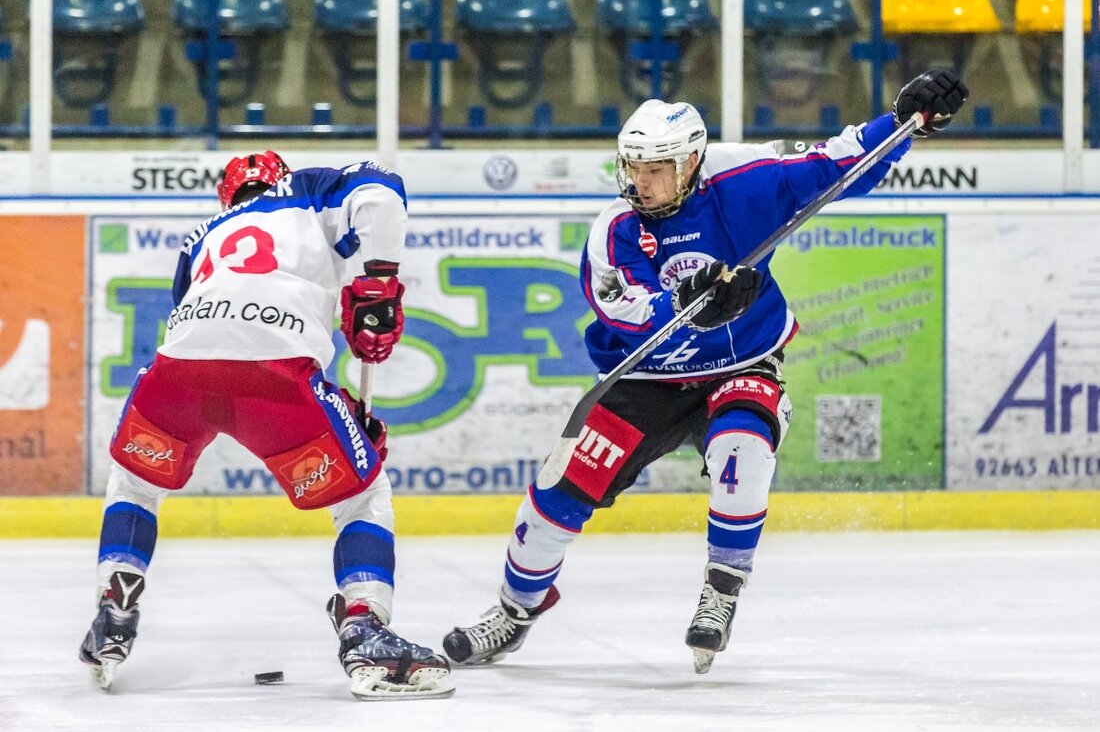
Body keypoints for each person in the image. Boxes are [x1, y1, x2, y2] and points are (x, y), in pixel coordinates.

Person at [443, 70, 969, 674]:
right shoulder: (615, 229)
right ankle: (513, 613)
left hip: (744, 362)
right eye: (634, 166)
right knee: (555, 501)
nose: (641, 181)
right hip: (648, 379)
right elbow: (629, 314)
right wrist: (689, 304)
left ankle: (721, 592)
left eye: (657, 168)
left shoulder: (742, 177)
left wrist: (906, 122)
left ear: (692, 161)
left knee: (742, 449)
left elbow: (839, 163)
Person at [79, 151, 454, 700]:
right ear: (276, 181)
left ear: (226, 197)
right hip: (276, 378)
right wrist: (380, 281)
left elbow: (206, 324)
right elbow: (382, 192)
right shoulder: (308, 190)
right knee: (362, 496)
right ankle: (364, 627)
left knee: (135, 485)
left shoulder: (199, 239)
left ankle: (113, 609)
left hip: (177, 373)